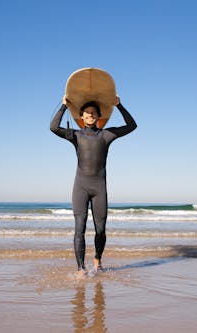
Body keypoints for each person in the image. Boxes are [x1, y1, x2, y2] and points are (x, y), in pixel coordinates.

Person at [50, 95, 137, 276]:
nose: (90, 115)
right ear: (81, 117)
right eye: (87, 113)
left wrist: (119, 105)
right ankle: (81, 268)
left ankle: (97, 260)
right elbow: (53, 127)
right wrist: (64, 106)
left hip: (99, 189)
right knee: (79, 228)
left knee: (101, 230)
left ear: (99, 116)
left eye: (93, 113)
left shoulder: (106, 135)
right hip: (80, 187)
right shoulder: (75, 135)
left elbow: (132, 126)